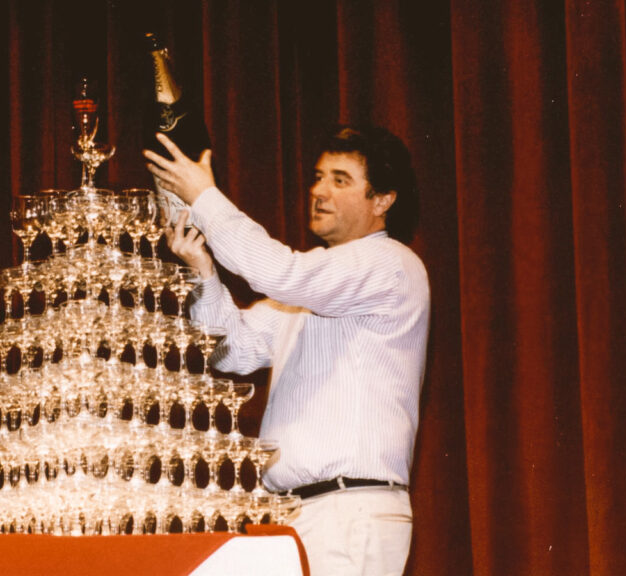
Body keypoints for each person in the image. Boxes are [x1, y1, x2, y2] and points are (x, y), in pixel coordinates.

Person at [144, 125, 430, 576]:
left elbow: (280, 273)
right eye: (318, 177)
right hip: (294, 514)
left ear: (382, 201)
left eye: (340, 180)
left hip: (347, 512)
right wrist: (202, 269)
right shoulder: (315, 282)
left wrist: (206, 198)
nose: (319, 191)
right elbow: (231, 351)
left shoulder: (389, 263)